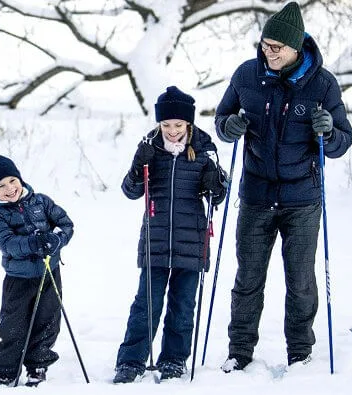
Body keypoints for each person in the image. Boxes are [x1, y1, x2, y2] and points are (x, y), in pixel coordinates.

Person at [215, 2, 352, 372]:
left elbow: (343, 141)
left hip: (302, 200)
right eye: (265, 45)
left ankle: (300, 353)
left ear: (296, 48)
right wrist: (228, 128)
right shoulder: (247, 75)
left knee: (301, 282)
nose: (269, 53)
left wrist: (329, 131)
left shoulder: (322, 84)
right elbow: (221, 117)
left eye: (277, 47)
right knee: (247, 280)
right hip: (257, 195)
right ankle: (239, 352)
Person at [113, 86, 229, 384]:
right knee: (145, 305)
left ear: (188, 123)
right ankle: (131, 360)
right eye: (166, 125)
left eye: (178, 125)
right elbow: (130, 191)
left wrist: (215, 182)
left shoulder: (205, 149)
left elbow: (218, 197)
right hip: (156, 240)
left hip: (192, 242)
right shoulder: (150, 148)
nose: (172, 131)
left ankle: (174, 360)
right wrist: (139, 165)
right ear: (159, 124)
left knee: (182, 306)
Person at [0, 154, 74, 387]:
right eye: (1, 186)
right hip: (19, 278)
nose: (9, 188)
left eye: (12, 181)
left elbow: (66, 224)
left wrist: (57, 240)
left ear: (20, 179)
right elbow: (8, 244)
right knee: (13, 326)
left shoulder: (41, 202)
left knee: (48, 320)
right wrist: (34, 243)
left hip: (48, 273)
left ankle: (38, 365)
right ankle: (6, 370)